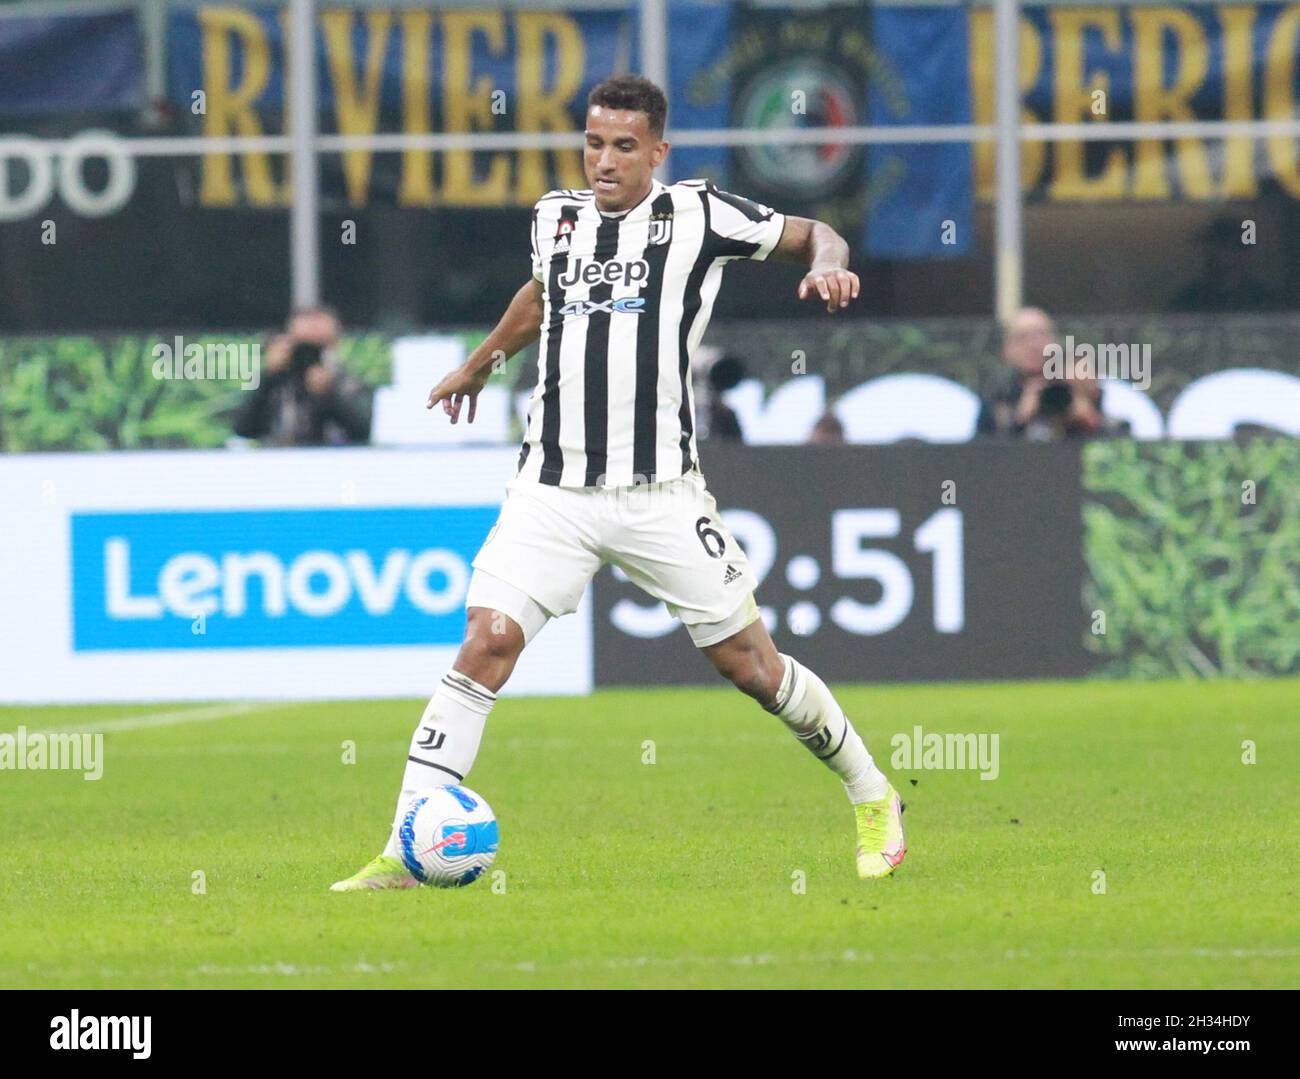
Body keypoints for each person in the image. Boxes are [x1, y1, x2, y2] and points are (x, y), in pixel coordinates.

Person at [330, 74, 904, 891]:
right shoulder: (553, 218)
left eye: (625, 146)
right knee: (487, 642)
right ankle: (405, 845)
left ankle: (871, 791)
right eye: (595, 143)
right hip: (551, 490)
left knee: (751, 664)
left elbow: (816, 232)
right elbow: (539, 297)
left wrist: (831, 267)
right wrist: (477, 365)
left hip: (659, 492)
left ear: (658, 152)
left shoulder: (699, 215)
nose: (605, 160)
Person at [232, 306, 370, 446]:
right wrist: (268, 377)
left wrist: (328, 395)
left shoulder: (350, 382)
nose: (309, 355)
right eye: (303, 346)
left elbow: (363, 433)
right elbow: (243, 430)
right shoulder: (277, 383)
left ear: (336, 343)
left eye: (318, 347)